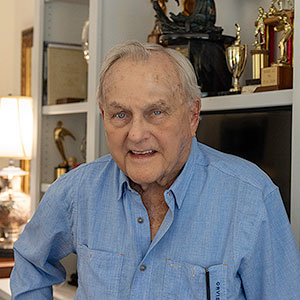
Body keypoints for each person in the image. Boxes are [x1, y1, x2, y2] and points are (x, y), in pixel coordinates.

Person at [11, 40, 300, 299]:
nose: (136, 134)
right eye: (120, 114)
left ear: (193, 116)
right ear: (104, 116)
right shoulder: (76, 191)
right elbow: (30, 261)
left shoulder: (250, 198)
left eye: (156, 112)